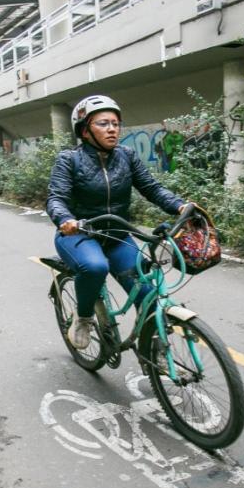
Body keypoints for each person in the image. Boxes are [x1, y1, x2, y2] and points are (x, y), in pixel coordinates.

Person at [46, 95, 188, 349]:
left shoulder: (127, 156)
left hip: (117, 235)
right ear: (85, 130)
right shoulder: (69, 159)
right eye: (103, 123)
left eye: (115, 123)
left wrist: (180, 206)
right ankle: (84, 318)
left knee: (148, 293)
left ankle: (152, 351)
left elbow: (152, 188)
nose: (112, 128)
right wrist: (65, 219)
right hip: (79, 235)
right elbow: (56, 198)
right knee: (95, 267)